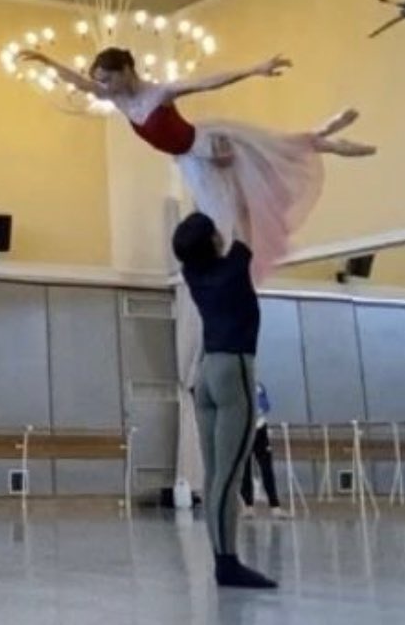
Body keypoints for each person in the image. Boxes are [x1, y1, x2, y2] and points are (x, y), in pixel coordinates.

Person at [17, 46, 376, 281]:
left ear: (127, 70)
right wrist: (47, 62)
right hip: (190, 160)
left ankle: (328, 139)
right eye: (101, 81)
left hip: (208, 147)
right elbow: (81, 83)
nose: (104, 87)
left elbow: (208, 83)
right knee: (233, 207)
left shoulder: (160, 93)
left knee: (266, 167)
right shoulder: (119, 99)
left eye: (108, 78)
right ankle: (326, 137)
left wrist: (256, 69)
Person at [173, 210, 276, 589]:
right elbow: (246, 217)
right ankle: (226, 564)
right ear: (212, 241)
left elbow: (236, 229)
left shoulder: (192, 273)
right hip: (234, 370)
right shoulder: (232, 270)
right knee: (229, 476)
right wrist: (237, 180)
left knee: (216, 474)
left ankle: (224, 558)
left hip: (206, 375)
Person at [240, 382, 289, 519]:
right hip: (243, 430)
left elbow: (265, 406)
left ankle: (275, 506)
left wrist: (256, 409)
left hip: (260, 430)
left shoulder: (258, 387)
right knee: (245, 469)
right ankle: (248, 506)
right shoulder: (236, 387)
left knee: (266, 468)